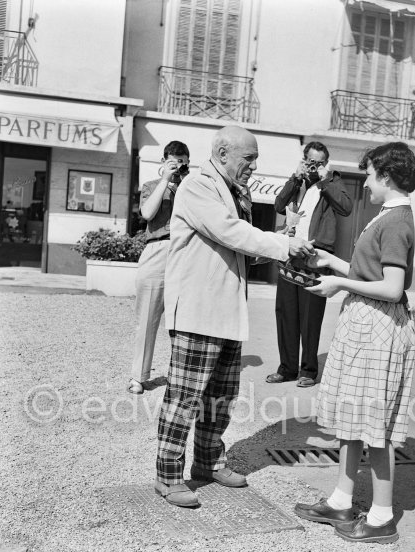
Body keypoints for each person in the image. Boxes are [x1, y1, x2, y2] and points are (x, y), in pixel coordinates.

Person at [155, 125, 315, 508]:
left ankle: (208, 462)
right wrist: (282, 243)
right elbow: (229, 231)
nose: (253, 166)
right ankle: (167, 475)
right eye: (249, 158)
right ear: (223, 153)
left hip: (225, 311)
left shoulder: (231, 190)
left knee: (221, 397)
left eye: (255, 159)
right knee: (186, 397)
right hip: (197, 311)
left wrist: (281, 243)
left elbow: (239, 246)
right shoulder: (198, 186)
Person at [293, 142, 415, 544]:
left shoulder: (397, 220)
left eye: (369, 175)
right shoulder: (386, 215)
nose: (365, 183)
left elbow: (392, 287)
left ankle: (382, 518)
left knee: (374, 426)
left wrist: (338, 284)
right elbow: (371, 274)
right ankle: (341, 500)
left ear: (386, 176)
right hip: (366, 322)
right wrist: (332, 265)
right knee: (354, 420)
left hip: (379, 327)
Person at [266, 142, 352, 388]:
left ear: (327, 163)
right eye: (310, 162)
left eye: (320, 163)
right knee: (286, 315)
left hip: (316, 258)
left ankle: (308, 370)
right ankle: (287, 368)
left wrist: (325, 181)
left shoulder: (332, 182)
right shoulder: (299, 181)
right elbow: (278, 205)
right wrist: (295, 177)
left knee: (310, 319)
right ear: (304, 160)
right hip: (291, 255)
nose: (314, 167)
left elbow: (346, 208)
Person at [127, 141, 190, 395]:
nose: (178, 166)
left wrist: (185, 182)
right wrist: (165, 179)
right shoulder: (152, 186)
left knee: (186, 320)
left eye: (182, 161)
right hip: (157, 249)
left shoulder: (191, 187)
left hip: (186, 252)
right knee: (147, 318)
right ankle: (138, 377)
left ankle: (182, 376)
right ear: (164, 162)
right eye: (173, 161)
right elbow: (147, 213)